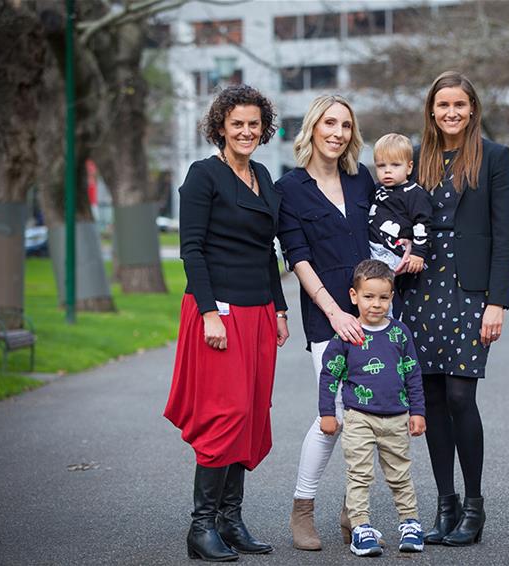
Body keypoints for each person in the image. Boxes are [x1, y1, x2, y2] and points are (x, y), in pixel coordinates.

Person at [276, 95, 412, 550]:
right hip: (328, 317)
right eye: (329, 123)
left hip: (375, 315)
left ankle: (354, 512)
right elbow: (298, 257)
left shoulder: (362, 181)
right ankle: (303, 509)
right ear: (313, 127)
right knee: (333, 415)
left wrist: (406, 251)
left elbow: (382, 234)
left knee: (375, 410)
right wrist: (334, 312)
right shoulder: (290, 188)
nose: (337, 133)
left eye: (346, 125)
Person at [163, 84, 289, 562]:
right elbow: (190, 249)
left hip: (258, 311)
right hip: (218, 312)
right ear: (220, 127)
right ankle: (201, 528)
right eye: (236, 123)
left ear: (264, 129)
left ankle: (230, 521)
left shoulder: (262, 175)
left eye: (254, 124)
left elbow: (267, 250)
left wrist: (278, 307)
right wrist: (208, 311)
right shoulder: (203, 176)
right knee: (226, 415)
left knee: (252, 413)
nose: (246, 131)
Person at [403, 71, 509, 547]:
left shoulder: (493, 157)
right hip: (420, 289)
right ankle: (444, 505)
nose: (451, 112)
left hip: (469, 292)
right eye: (442, 105)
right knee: (430, 401)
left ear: (472, 109)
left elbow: (504, 235)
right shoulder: (416, 157)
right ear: (431, 110)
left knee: (460, 397)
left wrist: (498, 302)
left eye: (460, 105)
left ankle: (473, 504)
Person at [318, 260, 427, 557]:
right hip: (359, 417)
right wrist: (327, 413)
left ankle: (410, 523)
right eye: (369, 297)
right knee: (359, 475)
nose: (376, 304)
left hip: (396, 417)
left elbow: (412, 373)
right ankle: (361, 528)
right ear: (354, 296)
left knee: (400, 474)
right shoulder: (347, 335)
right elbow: (329, 375)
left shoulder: (400, 334)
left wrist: (418, 411)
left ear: (392, 297)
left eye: (383, 297)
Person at [368, 133, 432, 316]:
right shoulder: (376, 190)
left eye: (395, 165)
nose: (387, 171)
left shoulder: (414, 194)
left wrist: (418, 254)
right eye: (381, 166)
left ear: (409, 167)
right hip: (372, 249)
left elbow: (422, 224)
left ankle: (387, 322)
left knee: (381, 287)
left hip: (393, 254)